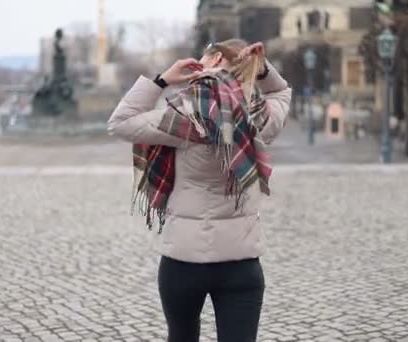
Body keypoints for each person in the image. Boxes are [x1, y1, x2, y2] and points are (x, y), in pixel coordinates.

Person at [107, 39, 291, 342]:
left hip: (183, 263)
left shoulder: (184, 112)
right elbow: (281, 91)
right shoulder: (259, 114)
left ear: (216, 58)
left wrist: (162, 80)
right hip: (241, 263)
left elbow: (120, 123)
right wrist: (259, 67)